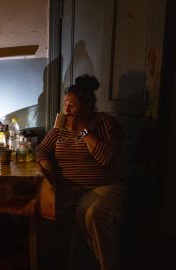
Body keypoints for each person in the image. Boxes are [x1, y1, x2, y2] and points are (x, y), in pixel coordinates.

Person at [35, 74, 126, 270]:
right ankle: (59, 260)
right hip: (69, 189)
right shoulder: (61, 125)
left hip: (102, 187)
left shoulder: (105, 123)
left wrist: (83, 130)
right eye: (65, 103)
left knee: (92, 212)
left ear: (87, 106)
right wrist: (49, 169)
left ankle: (106, 265)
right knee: (39, 208)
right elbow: (41, 150)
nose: (66, 109)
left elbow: (105, 159)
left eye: (72, 105)